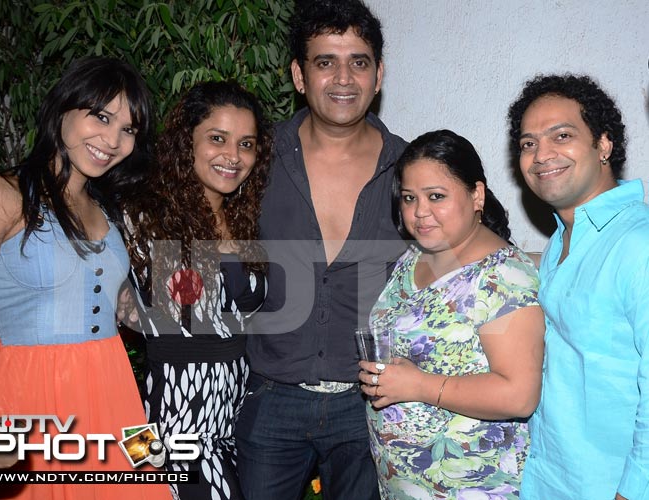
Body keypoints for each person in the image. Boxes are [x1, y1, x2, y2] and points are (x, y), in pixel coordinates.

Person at [0, 56, 170, 499]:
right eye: (102, 117)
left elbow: (89, 300)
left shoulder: (108, 208)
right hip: (26, 400)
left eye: (129, 130)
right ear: (63, 109)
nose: (113, 140)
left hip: (113, 391)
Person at [235, 1, 408, 498]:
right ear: (298, 74)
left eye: (359, 61)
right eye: (325, 61)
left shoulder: (411, 168)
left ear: (378, 76)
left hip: (371, 403)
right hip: (270, 397)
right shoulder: (255, 159)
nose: (343, 78)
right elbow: (191, 215)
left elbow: (467, 246)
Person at [356, 129, 544, 498]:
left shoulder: (501, 276)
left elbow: (519, 394)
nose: (419, 212)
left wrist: (417, 385)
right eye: (409, 198)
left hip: (473, 486)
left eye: (436, 197)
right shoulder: (413, 259)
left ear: (477, 195)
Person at [121, 80, 271, 500]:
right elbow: (74, 279)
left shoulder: (247, 221)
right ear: (185, 142)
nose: (233, 156)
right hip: (171, 426)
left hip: (236, 423)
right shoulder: (140, 217)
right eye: (217, 139)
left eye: (246, 144)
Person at [508, 74, 649, 500]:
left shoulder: (636, 244)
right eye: (528, 143)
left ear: (603, 145)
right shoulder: (559, 243)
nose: (541, 154)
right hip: (548, 478)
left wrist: (634, 490)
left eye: (562, 135)